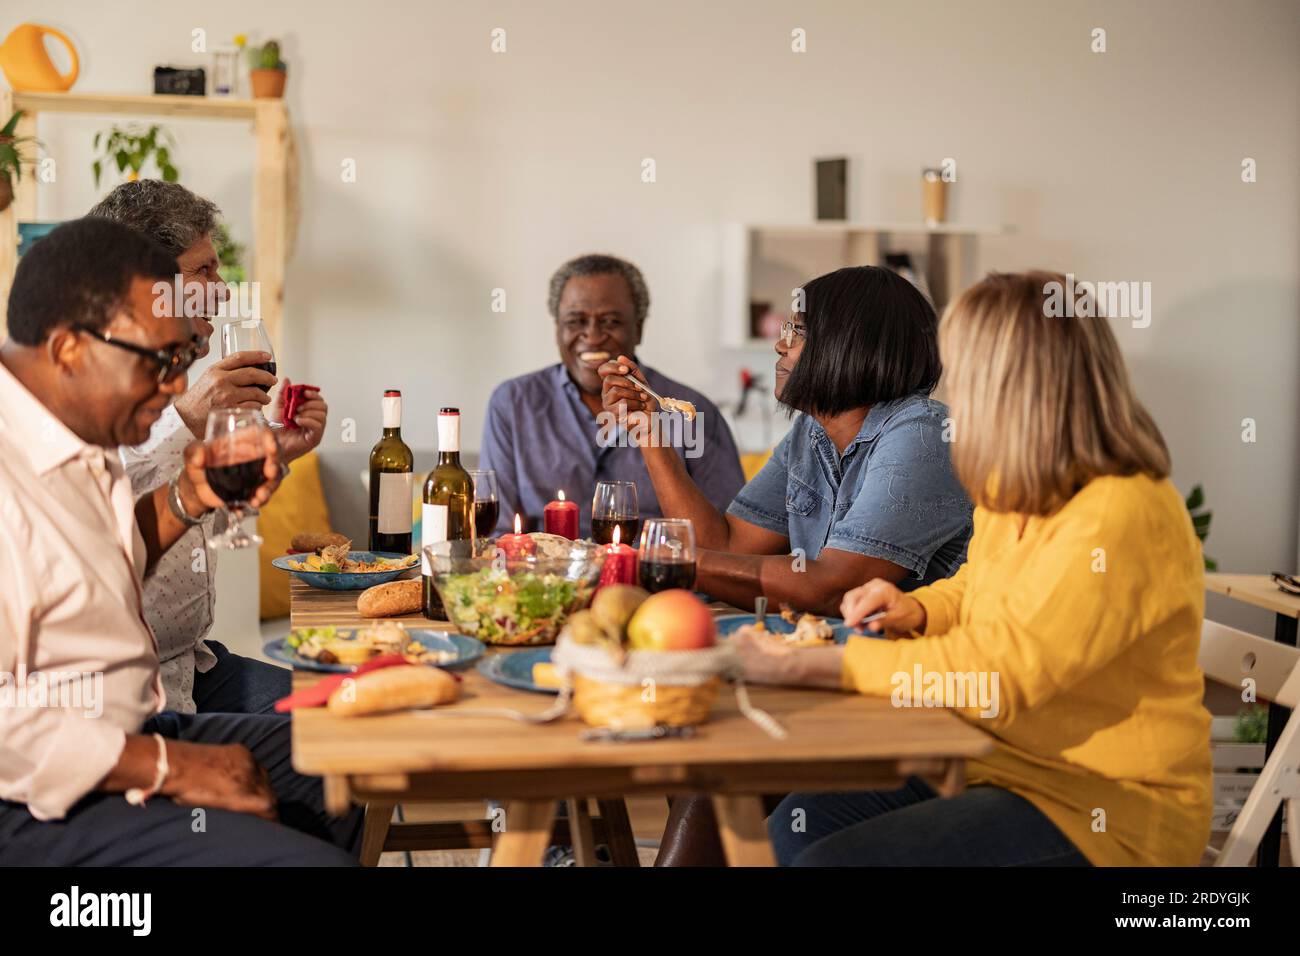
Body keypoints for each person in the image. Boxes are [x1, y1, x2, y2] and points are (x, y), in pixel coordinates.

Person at [732, 271, 1213, 867]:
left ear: (1013, 383)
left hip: (1103, 809)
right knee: (789, 837)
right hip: (989, 761)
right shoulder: (1021, 488)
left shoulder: (1118, 510)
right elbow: (979, 585)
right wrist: (921, 606)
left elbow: (999, 677)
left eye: (967, 368)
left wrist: (829, 663)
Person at [0, 218, 359, 865]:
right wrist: (168, 765)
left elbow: (102, 568)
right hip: (34, 796)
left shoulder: (78, 429)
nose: (174, 389)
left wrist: (187, 498)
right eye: (162, 361)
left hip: (127, 725)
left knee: (338, 768)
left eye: (181, 358)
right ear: (69, 350)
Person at [601, 264, 974, 865]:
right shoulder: (814, 434)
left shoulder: (924, 436)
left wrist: (668, 562)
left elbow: (832, 588)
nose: (779, 343)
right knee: (697, 761)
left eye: (796, 332)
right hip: (832, 679)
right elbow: (726, 543)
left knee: (711, 769)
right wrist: (650, 433)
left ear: (848, 344)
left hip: (913, 704)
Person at [89, 180, 329, 715]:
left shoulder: (168, 376)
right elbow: (107, 533)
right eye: (203, 271)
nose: (222, 289)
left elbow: (206, 524)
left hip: (192, 665)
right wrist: (186, 421)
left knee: (336, 719)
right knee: (317, 753)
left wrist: (275, 450)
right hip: (127, 694)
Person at [480, 253, 744, 535]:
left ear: (639, 328)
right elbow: (498, 533)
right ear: (557, 328)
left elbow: (727, 540)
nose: (592, 336)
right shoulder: (512, 404)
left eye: (610, 322)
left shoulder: (692, 413)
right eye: (575, 321)